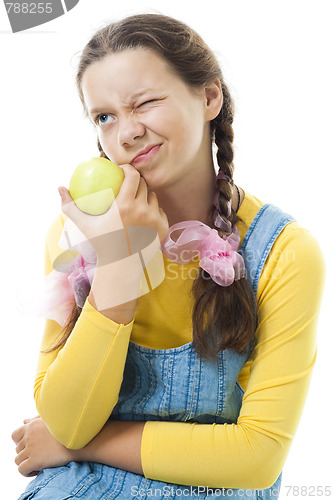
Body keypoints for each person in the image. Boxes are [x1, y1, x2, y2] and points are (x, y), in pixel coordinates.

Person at [12, 13, 325, 499]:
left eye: (146, 103)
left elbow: (257, 456)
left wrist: (84, 448)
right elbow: (68, 422)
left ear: (209, 97)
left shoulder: (283, 251)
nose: (126, 133)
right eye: (105, 116)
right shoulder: (77, 235)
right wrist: (117, 263)